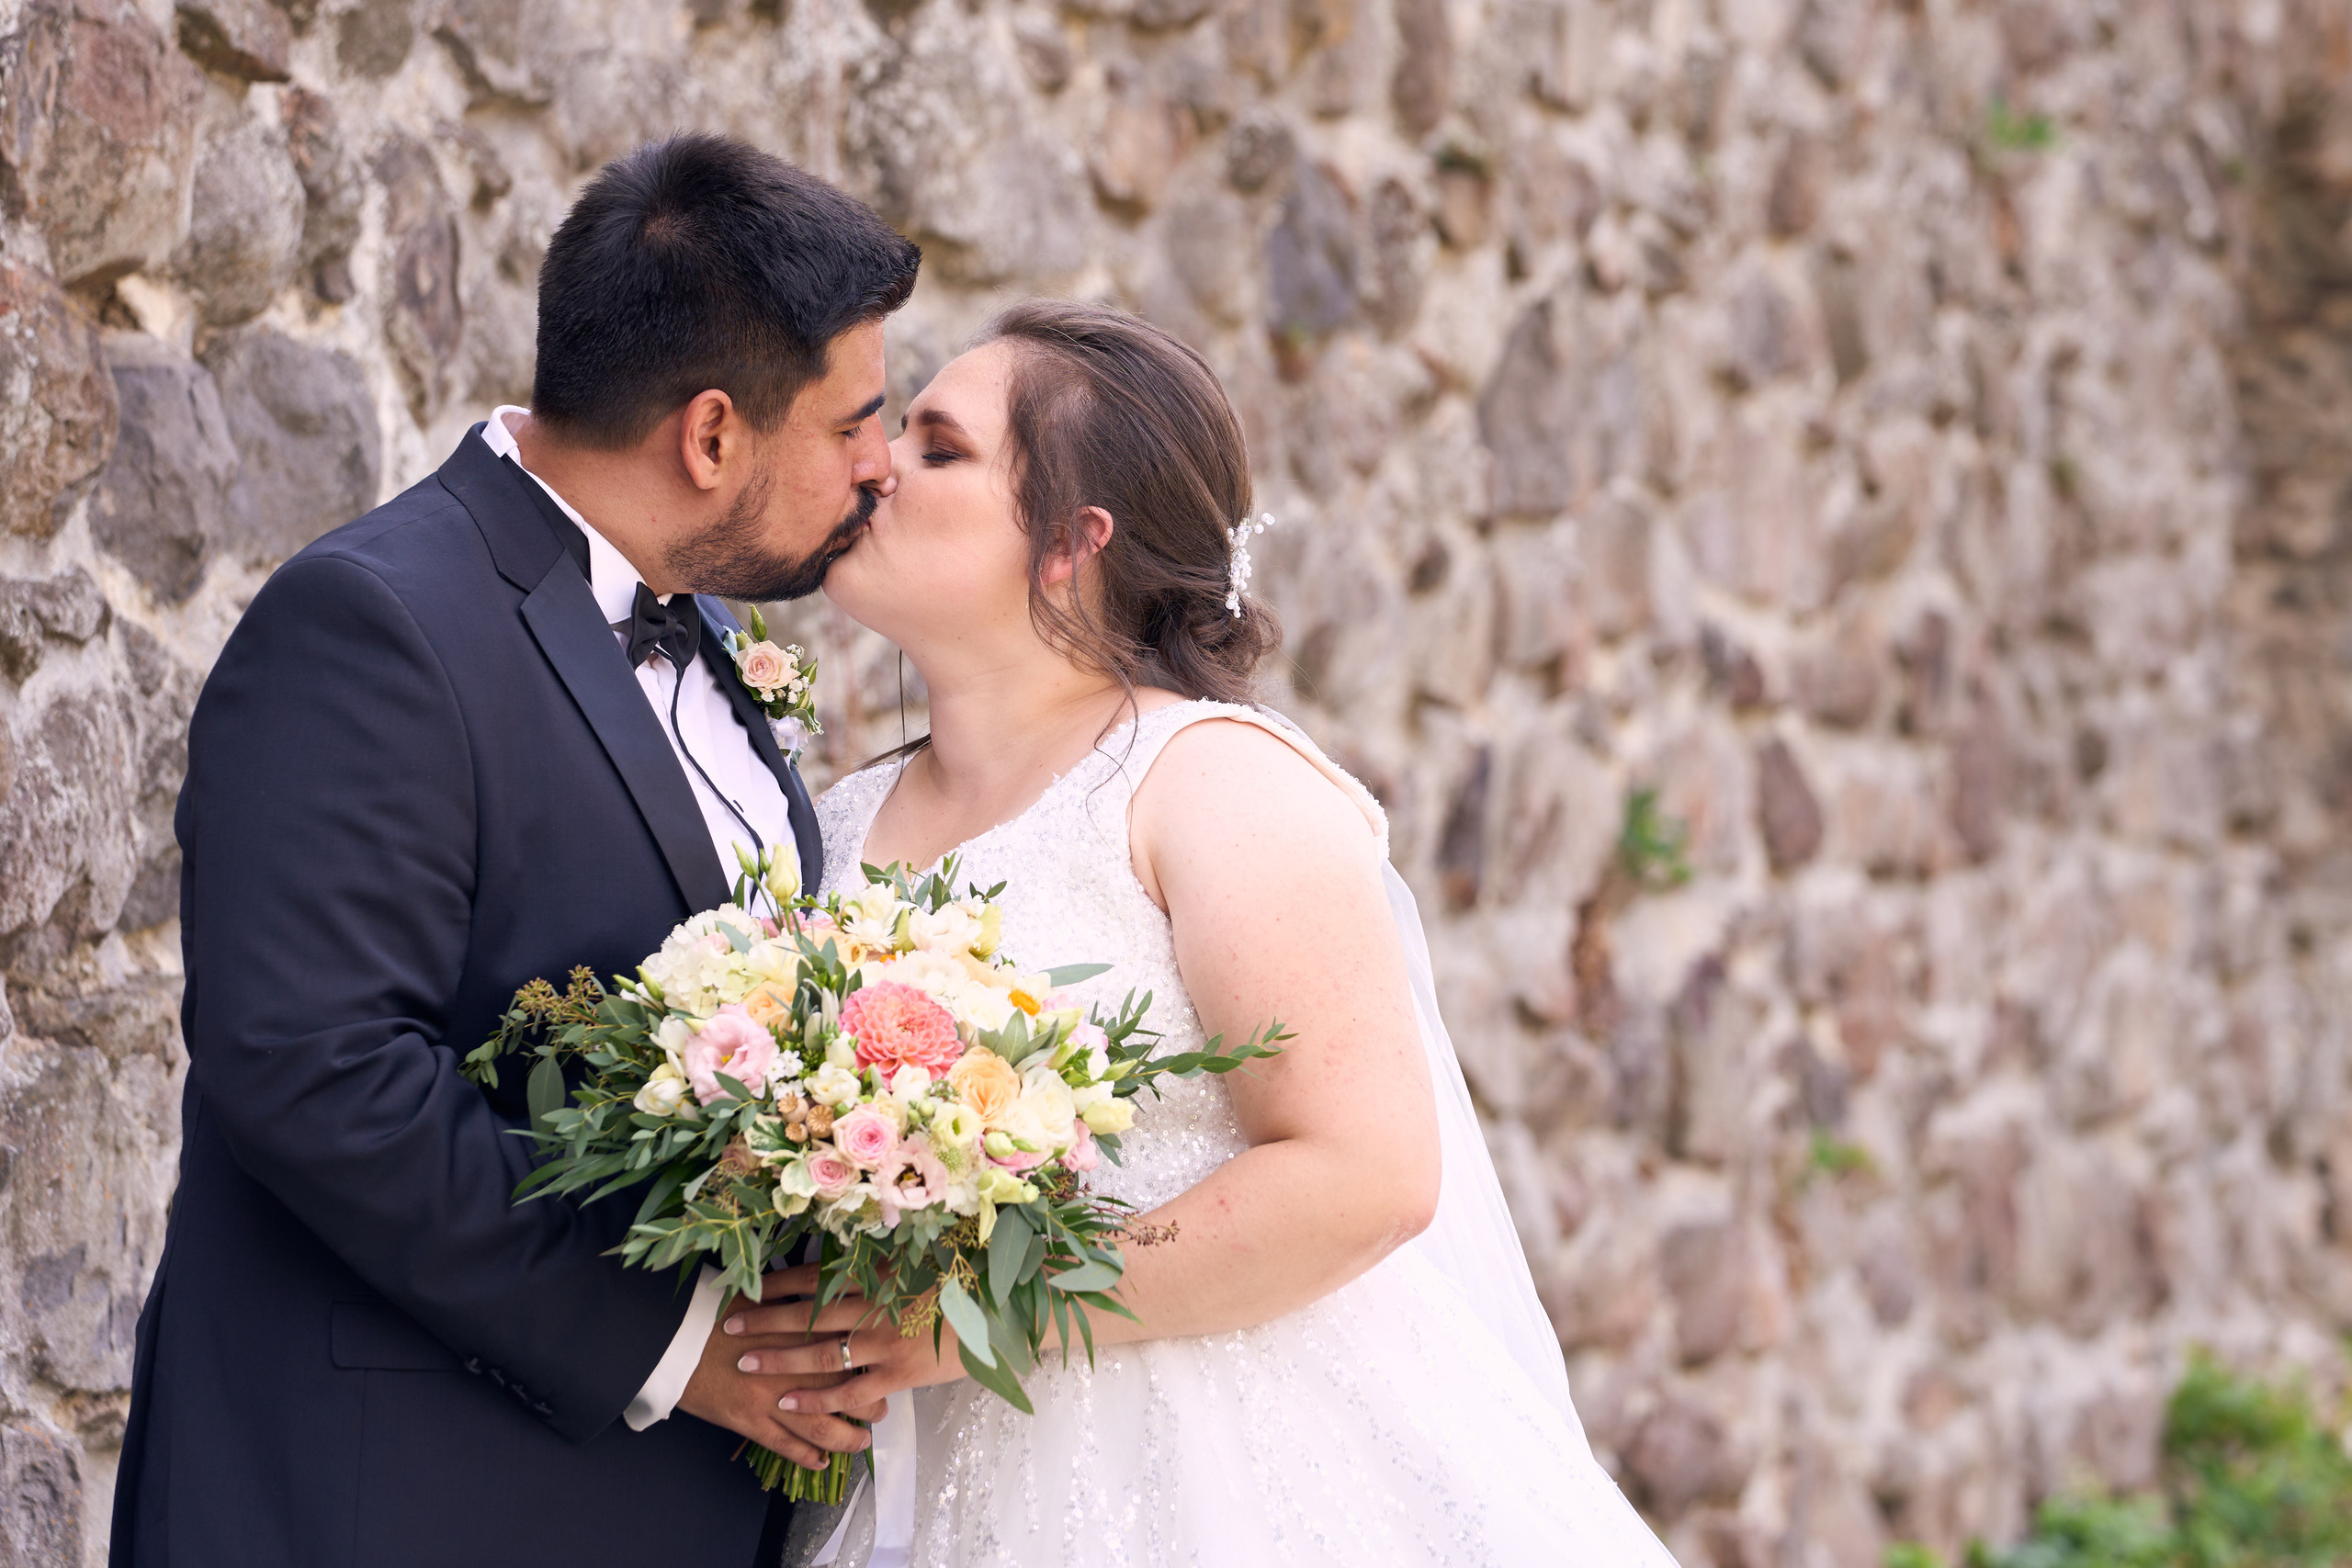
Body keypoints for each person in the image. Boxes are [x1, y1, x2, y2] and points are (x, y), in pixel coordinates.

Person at [726, 299, 1682, 1566]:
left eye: (939, 447)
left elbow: (1367, 1176)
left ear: (1072, 542)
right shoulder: (834, 824)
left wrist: (978, 1319)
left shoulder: (1211, 784)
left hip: (1217, 1470)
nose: (876, 468)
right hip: (916, 1479)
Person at [109, 134, 912, 1567]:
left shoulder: (709, 637)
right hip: (397, 1504)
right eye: (856, 423)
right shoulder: (374, 625)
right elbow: (314, 1070)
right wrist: (680, 1342)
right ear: (713, 434)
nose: (882, 467)